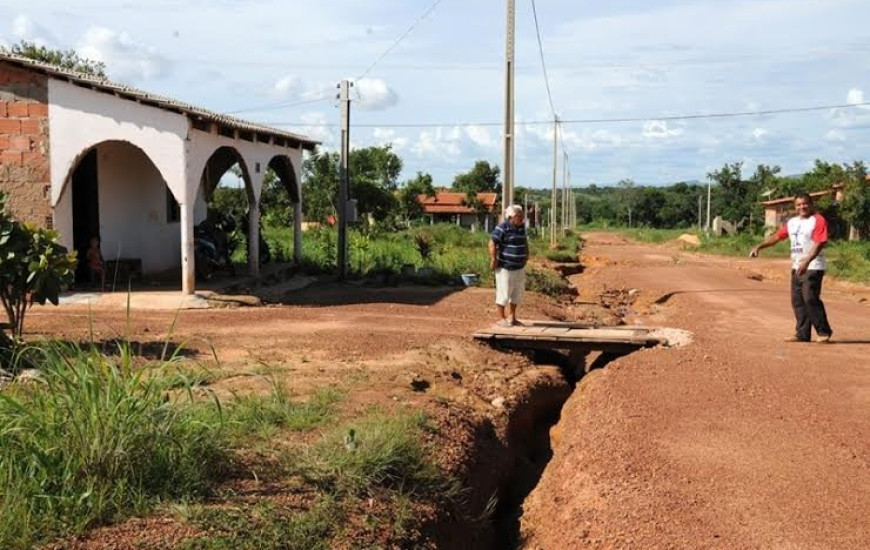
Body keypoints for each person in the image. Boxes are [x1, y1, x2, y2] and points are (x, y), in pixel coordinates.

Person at [750, 193, 833, 343]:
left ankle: (823, 331)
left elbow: (820, 243)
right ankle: (802, 334)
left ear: (811, 204)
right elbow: (777, 237)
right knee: (798, 301)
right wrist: (760, 246)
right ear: (795, 207)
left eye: (805, 203)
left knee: (810, 297)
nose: (802, 207)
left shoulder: (818, 220)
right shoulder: (792, 222)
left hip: (813, 266)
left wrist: (806, 262)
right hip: (796, 266)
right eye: (798, 205)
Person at [489, 204, 528, 327]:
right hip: (506, 267)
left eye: (521, 215)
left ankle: (512, 317)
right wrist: (493, 259)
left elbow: (525, 242)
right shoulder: (502, 228)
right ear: (511, 217)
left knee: (517, 293)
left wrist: (526, 255)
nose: (521, 217)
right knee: (504, 293)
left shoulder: (522, 227)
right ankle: (502, 318)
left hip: (519, 267)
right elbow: (491, 243)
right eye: (518, 215)